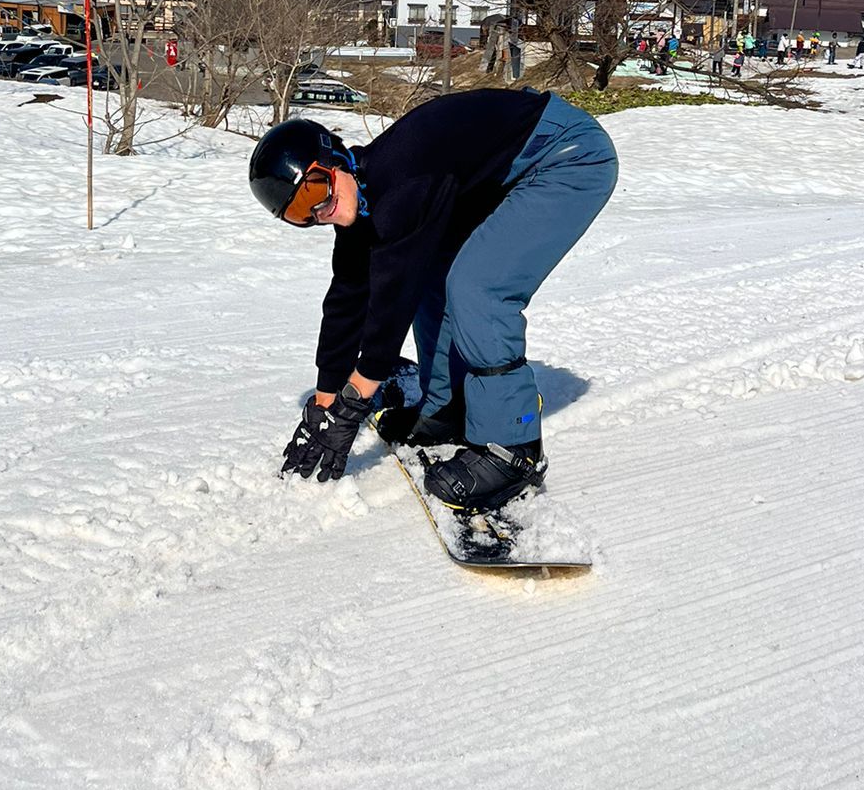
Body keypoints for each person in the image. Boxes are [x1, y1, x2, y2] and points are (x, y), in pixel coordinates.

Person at [248, 89, 618, 513]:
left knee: (479, 286)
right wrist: (326, 397)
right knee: (434, 277)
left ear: (335, 159)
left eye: (316, 189)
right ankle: (447, 409)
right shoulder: (362, 192)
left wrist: (358, 397)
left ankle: (513, 447)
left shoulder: (401, 179)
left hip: (568, 155)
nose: (320, 210)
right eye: (300, 213)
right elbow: (346, 297)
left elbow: (392, 304)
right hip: (506, 169)